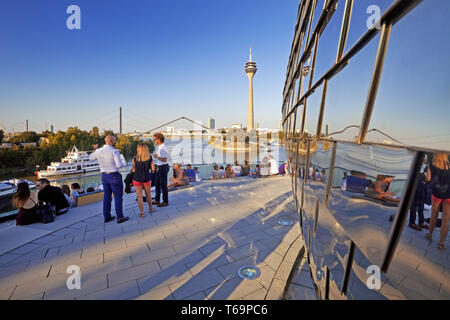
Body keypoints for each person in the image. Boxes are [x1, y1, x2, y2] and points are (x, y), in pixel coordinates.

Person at [90, 135, 129, 224]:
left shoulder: (98, 151)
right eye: (115, 140)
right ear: (111, 141)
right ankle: (120, 217)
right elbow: (119, 165)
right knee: (118, 196)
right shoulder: (114, 151)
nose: (116, 142)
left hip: (104, 176)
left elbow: (91, 158)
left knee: (107, 197)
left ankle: (107, 217)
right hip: (114, 175)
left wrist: (94, 150)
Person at [425, 153, 450, 249]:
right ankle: (441, 243)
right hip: (449, 194)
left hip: (436, 193)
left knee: (434, 215)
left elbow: (428, 179)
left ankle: (430, 234)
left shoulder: (431, 164)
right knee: (446, 220)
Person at [132, 143, 155, 217]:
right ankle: (150, 209)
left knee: (139, 197)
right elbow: (153, 169)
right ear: (146, 149)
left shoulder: (134, 158)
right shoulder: (150, 158)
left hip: (137, 179)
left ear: (138, 149)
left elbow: (133, 170)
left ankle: (142, 213)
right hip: (146, 178)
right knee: (148, 195)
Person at [152, 132, 170, 207]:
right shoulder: (161, 147)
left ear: (159, 139)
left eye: (154, 139)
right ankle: (157, 199)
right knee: (157, 184)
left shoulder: (162, 148)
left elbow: (165, 160)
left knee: (163, 185)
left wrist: (156, 157)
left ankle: (165, 201)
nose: (154, 141)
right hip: (160, 167)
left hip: (163, 167)